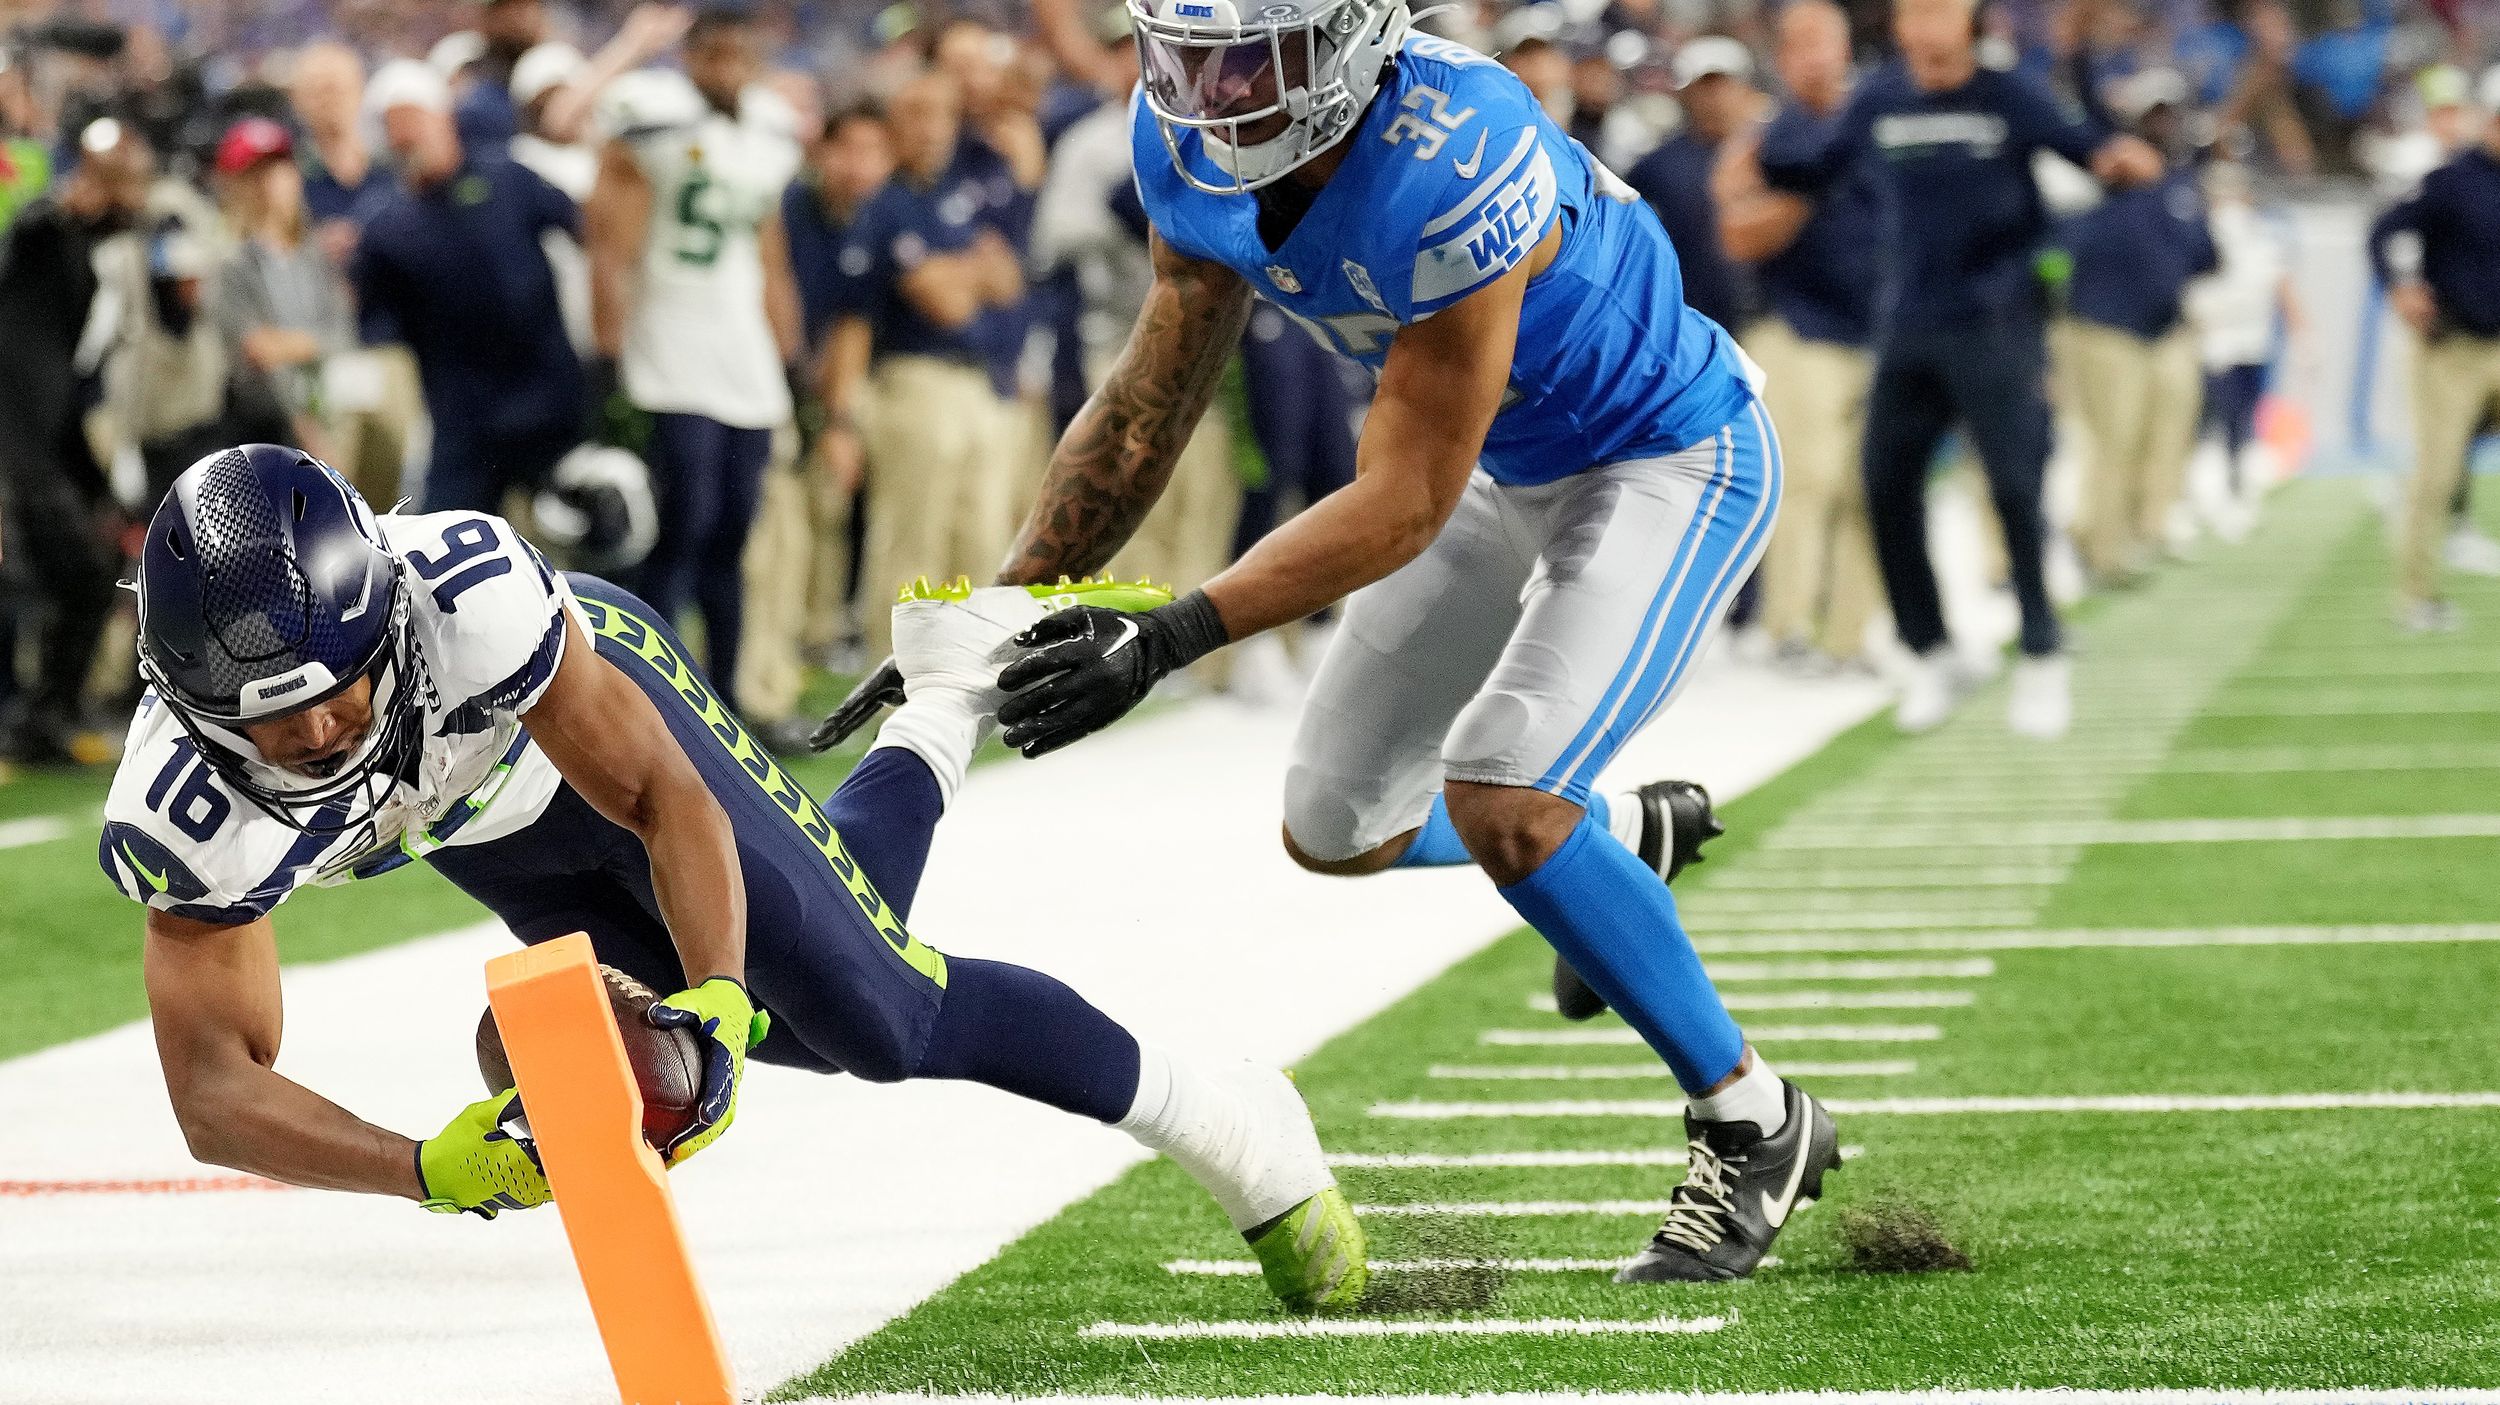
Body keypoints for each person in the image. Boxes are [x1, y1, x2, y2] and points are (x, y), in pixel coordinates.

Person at [821, 0, 1835, 1284]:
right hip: (1492, 465)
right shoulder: (1180, 142)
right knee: (1336, 821)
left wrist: (1167, 636)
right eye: (1184, 51)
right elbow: (1146, 406)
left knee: (1507, 792)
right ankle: (1621, 841)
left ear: (1352, 38)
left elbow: (1405, 497)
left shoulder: (1457, 148)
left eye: (1249, 51)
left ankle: (1753, 1116)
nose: (1207, 85)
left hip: (1660, 453)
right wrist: (1001, 613)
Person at [108, 443, 1368, 1312]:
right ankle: (943, 685)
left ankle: (1230, 1118)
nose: (320, 735)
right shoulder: (186, 816)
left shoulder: (472, 605)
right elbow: (215, 1093)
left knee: (881, 1014)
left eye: (341, 691)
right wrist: (424, 1167)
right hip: (487, 827)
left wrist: (711, 987)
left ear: (385, 614)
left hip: (590, 726)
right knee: (814, 1008)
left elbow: (662, 800)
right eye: (274, 723)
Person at [1759, 0, 2164, 738]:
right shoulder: (1879, 98)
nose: (1928, 19)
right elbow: (1809, 168)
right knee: (1884, 489)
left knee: (2014, 486)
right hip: (1907, 323)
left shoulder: (2007, 95)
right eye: (1915, 8)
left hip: (1995, 323)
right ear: (1901, 23)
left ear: (1969, 17)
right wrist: (1770, 129)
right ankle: (1931, 649)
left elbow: (2091, 153)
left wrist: (2115, 143)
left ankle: (2042, 650)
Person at [584, 6, 802, 713]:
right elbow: (609, 241)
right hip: (668, 339)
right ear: (691, 57)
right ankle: (661, 702)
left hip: (741, 349)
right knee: (684, 522)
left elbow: (771, 253)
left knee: (735, 527)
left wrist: (788, 349)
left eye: (740, 54)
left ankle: (730, 701)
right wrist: (610, 350)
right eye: (714, 54)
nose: (727, 68)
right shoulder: (653, 118)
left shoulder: (770, 130)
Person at [835, 72, 1028, 657]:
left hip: (982, 381)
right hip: (913, 377)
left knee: (981, 536)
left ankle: (970, 671)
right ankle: (891, 673)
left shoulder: (968, 192)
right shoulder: (886, 206)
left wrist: (955, 272)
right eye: (915, 114)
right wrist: (969, 272)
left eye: (940, 114)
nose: (928, 128)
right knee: (911, 538)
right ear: (894, 126)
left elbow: (1010, 281)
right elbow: (941, 302)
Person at [1717, 0, 1885, 669]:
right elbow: (1735, 230)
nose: (1815, 55)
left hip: (1875, 326)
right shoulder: (1765, 137)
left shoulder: (1876, 121)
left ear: (1845, 50)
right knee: (1806, 480)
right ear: (1783, 58)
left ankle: (1848, 636)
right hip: (1796, 324)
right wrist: (1809, 187)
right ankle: (1787, 626)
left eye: (1825, 41)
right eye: (1801, 43)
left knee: (1867, 487)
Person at [352, 60, 583, 515]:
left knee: (579, 544)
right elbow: (376, 331)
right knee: (446, 558)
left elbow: (591, 230)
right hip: (465, 419)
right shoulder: (384, 226)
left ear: (443, 116)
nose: (406, 139)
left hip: (549, 399)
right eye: (394, 130)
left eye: (414, 121)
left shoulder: (507, 176)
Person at [0, 119, 151, 764]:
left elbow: (65, 384)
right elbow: (34, 227)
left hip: (41, 445)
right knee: (14, 579)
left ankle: (44, 718)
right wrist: (76, 193)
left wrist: (97, 485)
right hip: (11, 446)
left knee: (89, 573)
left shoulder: (91, 266)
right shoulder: (41, 239)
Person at [2055, 70, 2217, 585]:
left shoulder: (2180, 188)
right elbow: (2055, 255)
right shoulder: (2094, 186)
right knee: (2112, 441)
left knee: (2155, 438)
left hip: (2160, 329)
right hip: (2103, 330)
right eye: (2154, 114)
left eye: (2169, 113)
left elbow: (2206, 255)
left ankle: (2134, 532)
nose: (2163, 124)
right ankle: (2102, 548)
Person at [2369, 65, 2500, 633]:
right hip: (2454, 351)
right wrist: (2399, 286)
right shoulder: (2451, 181)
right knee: (2437, 473)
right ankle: (2415, 597)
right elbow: (2384, 231)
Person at [210, 117, 360, 463]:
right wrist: (308, 346)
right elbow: (256, 352)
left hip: (328, 408)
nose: (272, 183)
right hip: (259, 431)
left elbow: (343, 333)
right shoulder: (230, 262)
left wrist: (292, 345)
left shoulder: (315, 255)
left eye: (280, 169)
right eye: (257, 174)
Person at [1627, 36, 1763, 338]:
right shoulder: (1656, 168)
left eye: (1724, 84)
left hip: (1770, 319)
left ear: (1744, 88)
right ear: (1685, 94)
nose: (1715, 96)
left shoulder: (1775, 154)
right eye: (1705, 86)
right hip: (1691, 323)